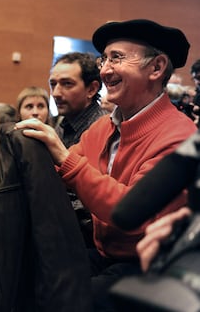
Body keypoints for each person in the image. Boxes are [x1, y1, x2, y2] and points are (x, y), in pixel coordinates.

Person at [15, 19, 197, 311]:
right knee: (26, 277)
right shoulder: (103, 128)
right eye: (104, 59)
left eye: (117, 58)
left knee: (67, 301)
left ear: (156, 68)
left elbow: (131, 210)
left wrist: (63, 158)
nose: (104, 69)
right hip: (102, 253)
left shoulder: (180, 136)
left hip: (148, 266)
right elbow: (57, 173)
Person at [50, 51, 106, 247]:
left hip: (84, 238)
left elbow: (92, 201)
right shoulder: (61, 124)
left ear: (91, 89)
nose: (56, 93)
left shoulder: (103, 128)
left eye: (67, 84)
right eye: (53, 84)